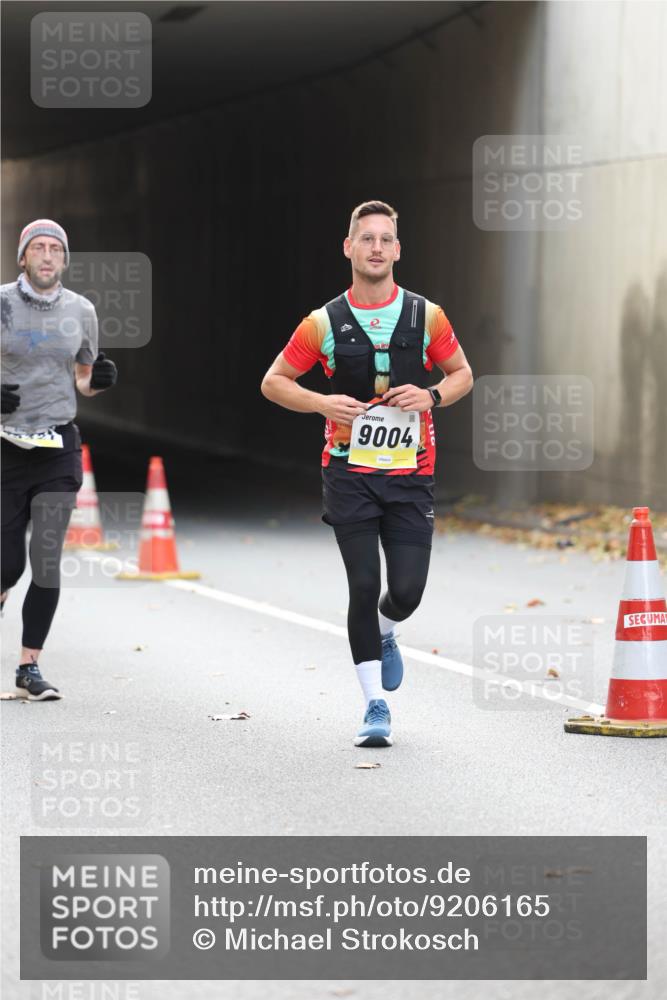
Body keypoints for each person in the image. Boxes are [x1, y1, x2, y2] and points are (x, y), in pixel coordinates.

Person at [261, 200, 473, 747]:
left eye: (385, 239)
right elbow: (275, 380)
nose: (376, 247)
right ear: (349, 248)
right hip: (348, 471)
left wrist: (430, 395)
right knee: (363, 584)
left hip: (411, 473)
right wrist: (320, 403)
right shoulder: (322, 322)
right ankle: (374, 705)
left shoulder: (427, 316)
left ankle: (387, 629)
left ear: (397, 251)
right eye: (366, 238)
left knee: (405, 592)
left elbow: (462, 375)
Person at [1, 219, 118, 700]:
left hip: (56, 448)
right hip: (5, 448)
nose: (47, 256)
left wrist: (100, 381)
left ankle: (30, 668)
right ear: (23, 257)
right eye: (39, 248)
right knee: (6, 567)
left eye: (56, 249)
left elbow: (84, 378)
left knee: (45, 561)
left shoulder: (82, 311)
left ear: (64, 260)